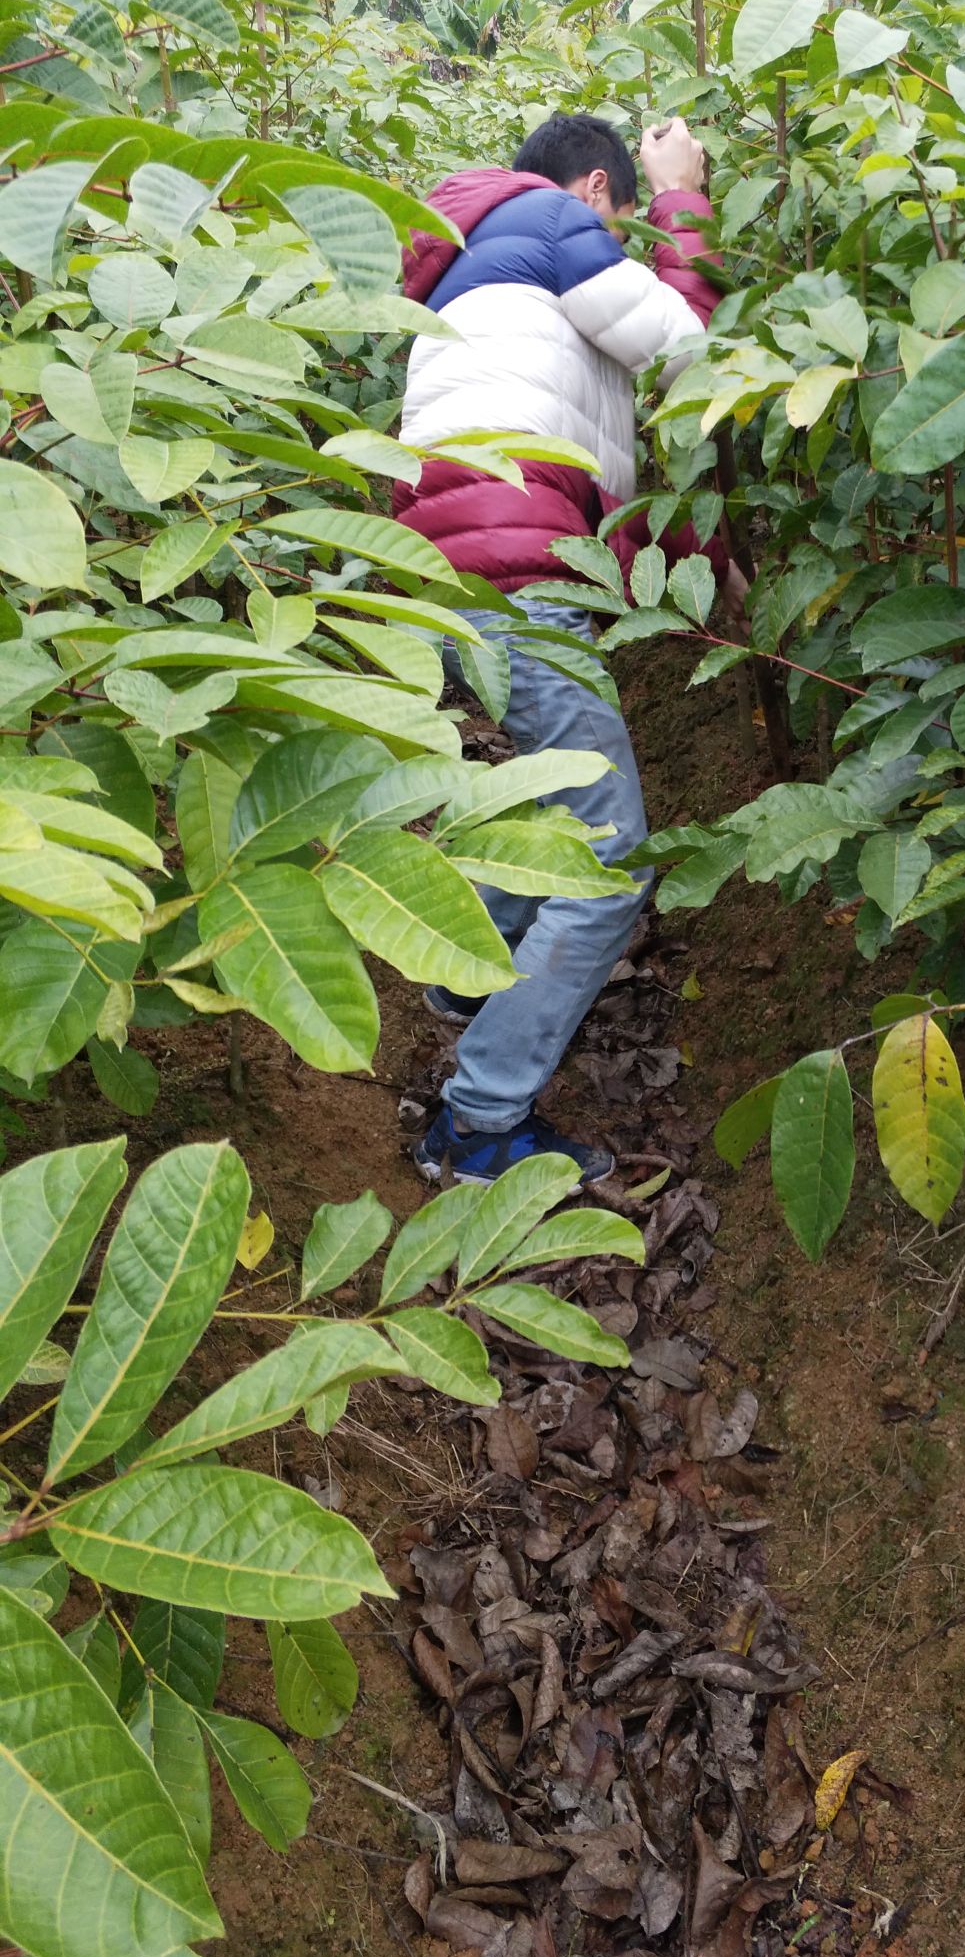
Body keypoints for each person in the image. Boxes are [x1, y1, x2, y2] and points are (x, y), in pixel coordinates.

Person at [394, 111, 733, 1187]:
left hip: (453, 576)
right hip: (520, 579)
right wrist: (684, 196)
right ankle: (477, 1124)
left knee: (561, 807)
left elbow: (605, 464)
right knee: (610, 855)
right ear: (596, 192)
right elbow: (690, 348)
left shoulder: (483, 265)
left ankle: (464, 978)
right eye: (625, 222)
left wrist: (694, 566)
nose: (625, 241)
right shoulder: (549, 219)